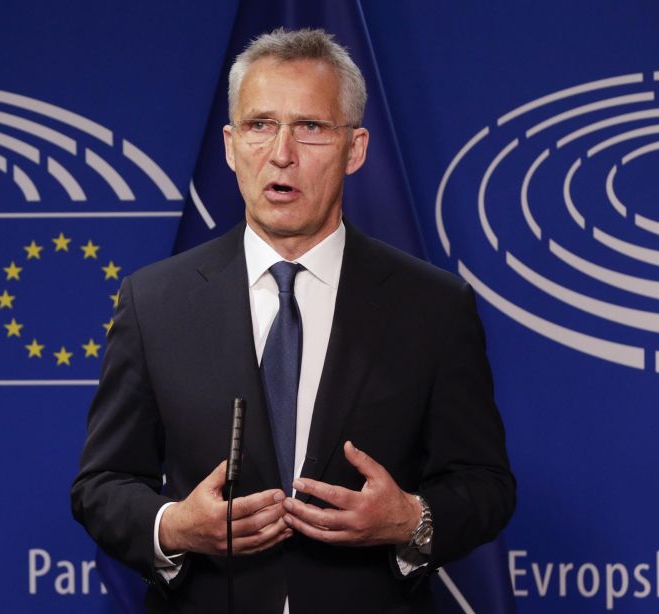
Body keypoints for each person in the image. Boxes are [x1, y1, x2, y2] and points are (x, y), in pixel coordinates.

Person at [71, 27, 515, 614]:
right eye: (260, 126)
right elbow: (101, 486)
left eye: (310, 127)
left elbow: (485, 484)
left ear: (355, 149)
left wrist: (410, 519)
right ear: (230, 146)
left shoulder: (433, 306)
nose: (282, 153)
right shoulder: (154, 303)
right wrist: (174, 526)